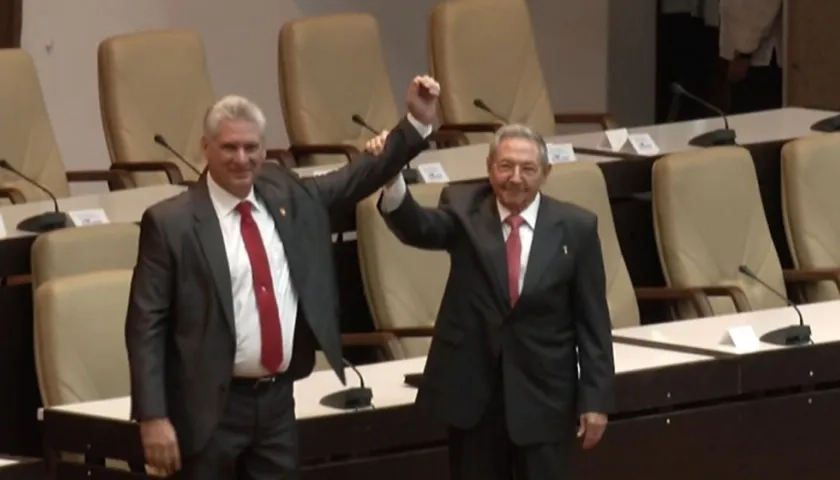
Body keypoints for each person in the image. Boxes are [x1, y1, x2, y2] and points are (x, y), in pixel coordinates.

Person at [125, 75, 440, 479]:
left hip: (275, 404)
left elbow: (355, 178)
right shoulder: (171, 223)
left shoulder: (284, 193)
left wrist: (414, 124)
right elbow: (145, 325)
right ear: (205, 149)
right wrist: (152, 416)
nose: (242, 158)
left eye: (251, 147)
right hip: (205, 409)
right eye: (229, 148)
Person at [368, 124, 615, 480]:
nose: (515, 178)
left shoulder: (576, 228)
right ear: (489, 167)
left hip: (544, 397)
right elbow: (418, 227)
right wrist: (391, 176)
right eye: (505, 166)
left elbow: (592, 321)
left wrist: (596, 401)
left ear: (546, 173)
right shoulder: (464, 209)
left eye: (528, 168)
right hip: (475, 399)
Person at [719, 0, 783, 113]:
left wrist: (744, 52)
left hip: (758, 56)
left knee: (752, 119)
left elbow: (759, 7)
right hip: (749, 50)